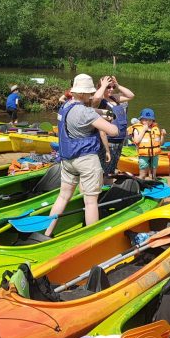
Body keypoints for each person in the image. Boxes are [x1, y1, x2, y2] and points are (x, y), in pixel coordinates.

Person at [43, 74, 118, 237]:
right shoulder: (87, 114)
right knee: (91, 202)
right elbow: (113, 131)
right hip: (86, 160)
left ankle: (47, 232)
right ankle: (92, 239)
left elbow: (82, 113)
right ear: (84, 94)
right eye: (90, 93)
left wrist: (98, 112)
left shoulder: (64, 106)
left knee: (63, 197)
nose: (92, 95)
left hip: (67, 160)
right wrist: (105, 117)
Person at [91, 75, 134, 177]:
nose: (111, 89)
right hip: (108, 141)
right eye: (108, 87)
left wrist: (118, 85)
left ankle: (107, 185)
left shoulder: (114, 98)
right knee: (105, 170)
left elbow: (130, 95)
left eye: (112, 87)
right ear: (101, 87)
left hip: (119, 140)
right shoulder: (99, 101)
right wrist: (103, 86)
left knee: (112, 167)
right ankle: (101, 188)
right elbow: (96, 98)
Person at [131, 108, 166, 180]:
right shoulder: (137, 129)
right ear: (141, 120)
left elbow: (160, 143)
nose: (148, 122)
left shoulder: (156, 129)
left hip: (154, 154)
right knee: (143, 174)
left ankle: (153, 184)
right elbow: (136, 141)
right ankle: (140, 184)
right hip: (143, 155)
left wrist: (162, 135)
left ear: (153, 120)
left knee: (153, 175)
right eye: (145, 120)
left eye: (150, 120)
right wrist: (144, 129)